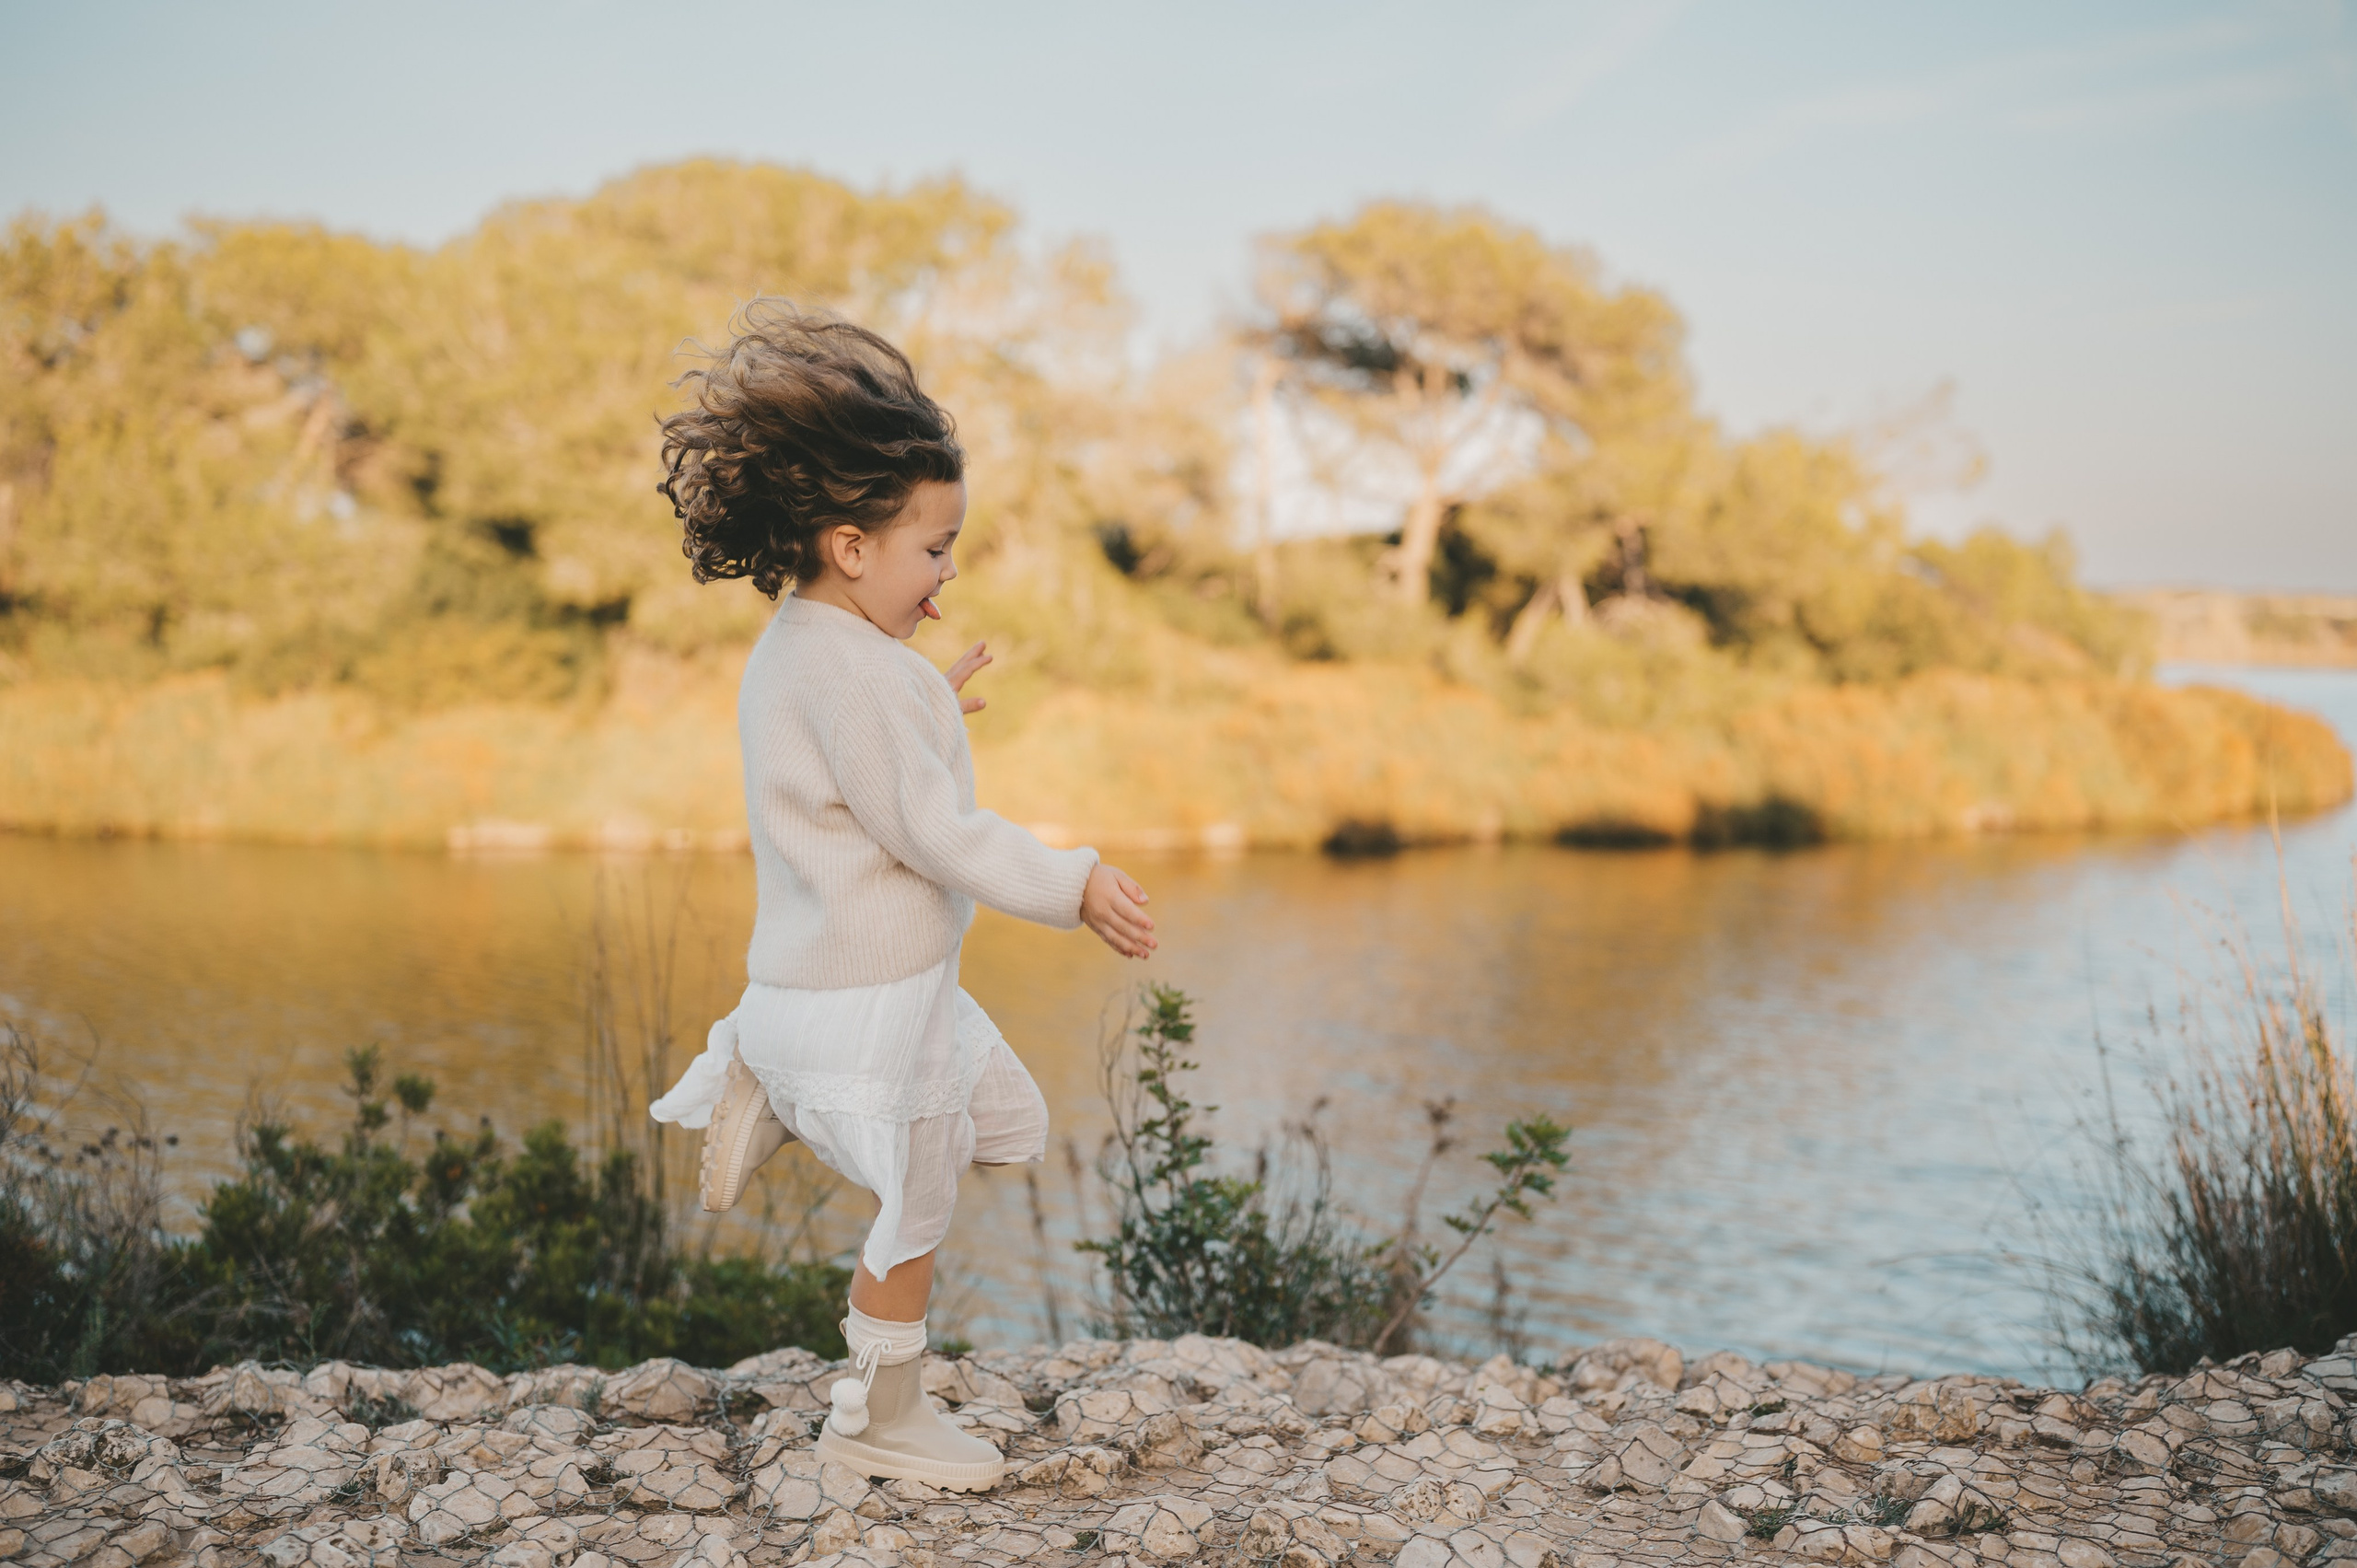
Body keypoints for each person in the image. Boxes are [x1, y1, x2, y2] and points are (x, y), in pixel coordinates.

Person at [645, 302, 1156, 1492]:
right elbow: (931, 827)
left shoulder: (807, 647)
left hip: (828, 984)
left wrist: (922, 698)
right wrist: (1071, 881)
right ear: (849, 546)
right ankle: (882, 1414)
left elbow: (863, 741)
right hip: (869, 994)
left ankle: (768, 1075)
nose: (947, 570)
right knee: (919, 1192)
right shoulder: (855, 672)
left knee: (1004, 1124)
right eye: (933, 547)